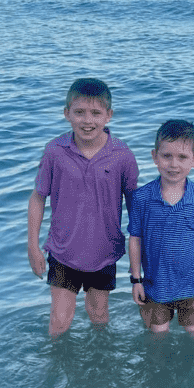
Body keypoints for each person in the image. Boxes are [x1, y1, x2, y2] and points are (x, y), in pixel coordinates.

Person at [28, 78, 139, 336]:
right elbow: (37, 197)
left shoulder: (122, 155)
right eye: (79, 112)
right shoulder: (55, 151)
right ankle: (54, 367)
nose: (87, 120)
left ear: (109, 116)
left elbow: (135, 206)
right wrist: (33, 245)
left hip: (104, 251)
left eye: (96, 113)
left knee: (98, 315)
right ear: (66, 114)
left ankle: (99, 367)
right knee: (59, 320)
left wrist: (140, 255)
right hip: (62, 250)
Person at [128, 119, 194, 336]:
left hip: (192, 286)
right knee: (157, 336)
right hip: (155, 286)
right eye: (166, 156)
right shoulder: (142, 198)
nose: (174, 164)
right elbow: (135, 240)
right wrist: (135, 280)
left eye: (182, 157)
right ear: (154, 157)